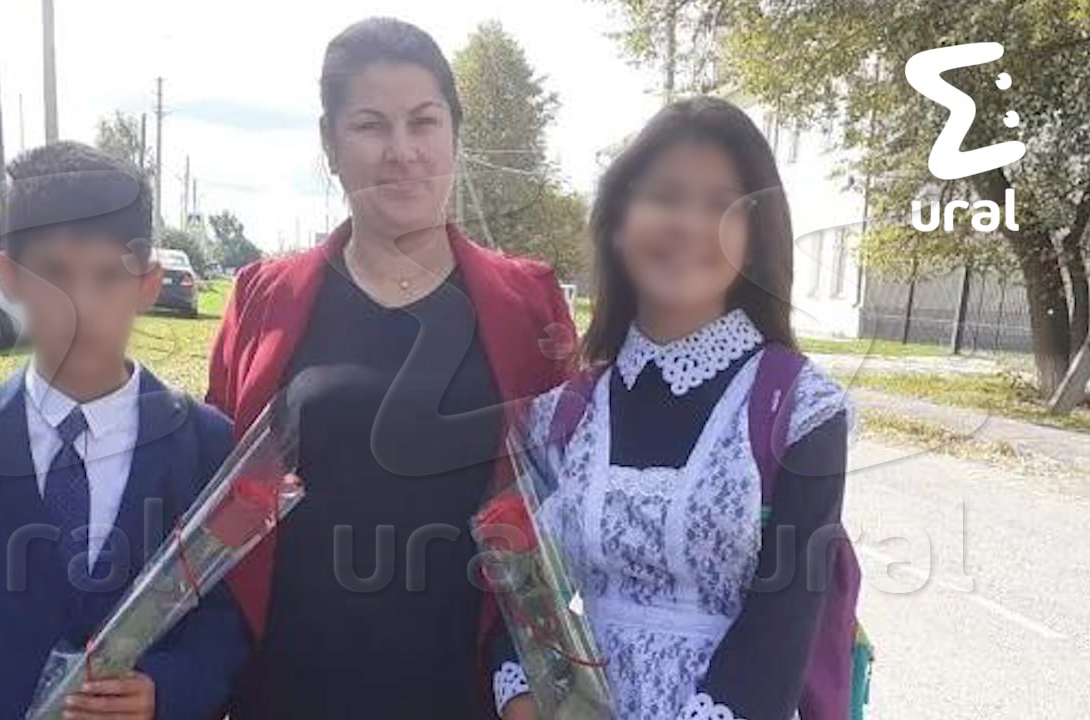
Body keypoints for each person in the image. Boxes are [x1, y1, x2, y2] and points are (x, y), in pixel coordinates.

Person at [206, 17, 573, 720]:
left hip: (470, 693)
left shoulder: (529, 304)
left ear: (455, 135)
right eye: (370, 126)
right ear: (330, 144)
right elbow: (214, 508)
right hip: (289, 690)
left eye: (423, 122)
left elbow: (567, 505)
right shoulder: (263, 299)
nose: (402, 151)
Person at [0, 142, 248, 719]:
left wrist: (167, 691)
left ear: (148, 283)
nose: (82, 306)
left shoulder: (205, 445)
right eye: (54, 275)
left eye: (109, 276)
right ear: (9, 277)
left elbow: (225, 621)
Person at [524, 97, 851, 719]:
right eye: (665, 196)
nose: (689, 225)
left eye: (720, 205)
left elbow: (783, 630)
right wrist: (522, 692)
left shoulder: (801, 411)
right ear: (619, 222)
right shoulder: (564, 416)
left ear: (755, 238)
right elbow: (522, 596)